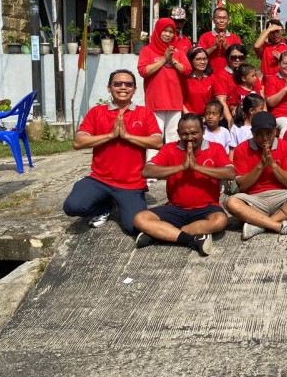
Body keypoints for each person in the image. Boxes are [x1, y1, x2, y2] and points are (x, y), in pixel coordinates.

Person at [63, 70, 163, 233]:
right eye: (117, 84)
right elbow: (78, 142)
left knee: (134, 227)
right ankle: (103, 206)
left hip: (131, 183)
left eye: (128, 84)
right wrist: (110, 136)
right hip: (99, 179)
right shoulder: (97, 112)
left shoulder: (144, 113)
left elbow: (157, 142)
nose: (123, 87)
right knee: (72, 207)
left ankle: (120, 202)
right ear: (109, 88)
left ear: (134, 89)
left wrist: (127, 136)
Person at [134, 114, 235, 256]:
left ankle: (164, 233)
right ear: (178, 133)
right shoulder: (170, 148)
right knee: (140, 218)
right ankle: (192, 239)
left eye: (194, 133)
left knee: (220, 221)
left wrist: (196, 167)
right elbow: (147, 171)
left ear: (203, 131)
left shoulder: (216, 148)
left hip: (206, 208)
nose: (190, 138)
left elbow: (230, 173)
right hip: (175, 208)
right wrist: (181, 167)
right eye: (185, 134)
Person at [225, 112, 287, 240]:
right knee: (230, 202)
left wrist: (273, 165)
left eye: (268, 133)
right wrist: (260, 166)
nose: (264, 138)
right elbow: (242, 186)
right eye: (259, 134)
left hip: (280, 196)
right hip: (253, 198)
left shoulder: (285, 147)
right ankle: (278, 226)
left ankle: (261, 224)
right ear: (252, 132)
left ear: (275, 131)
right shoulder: (241, 149)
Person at [137, 18, 190, 160]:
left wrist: (172, 59)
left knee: (173, 136)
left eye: (171, 32)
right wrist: (163, 60)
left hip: (174, 101)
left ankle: (172, 165)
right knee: (155, 136)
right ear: (158, 31)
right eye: (165, 31)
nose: (168, 34)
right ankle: (152, 166)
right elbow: (143, 71)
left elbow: (187, 70)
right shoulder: (147, 50)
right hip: (155, 102)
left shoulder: (177, 52)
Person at [198, 7, 242, 73]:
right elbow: (199, 56)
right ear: (213, 20)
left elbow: (240, 58)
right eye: (218, 18)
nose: (221, 21)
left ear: (229, 20)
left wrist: (227, 47)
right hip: (210, 74)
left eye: (224, 18)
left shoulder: (235, 38)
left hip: (230, 75)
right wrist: (214, 47)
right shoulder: (205, 36)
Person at [213, 44, 248, 127]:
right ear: (228, 58)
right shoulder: (221, 75)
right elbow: (222, 100)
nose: (237, 59)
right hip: (229, 115)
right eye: (233, 57)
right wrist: (230, 120)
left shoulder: (250, 73)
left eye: (241, 57)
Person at [182, 47, 219, 116]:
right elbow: (180, 101)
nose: (202, 62)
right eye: (198, 59)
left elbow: (216, 100)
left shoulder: (212, 78)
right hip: (188, 118)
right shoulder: (185, 79)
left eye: (205, 59)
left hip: (207, 118)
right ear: (190, 61)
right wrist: (188, 115)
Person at [228, 94, 266, 158]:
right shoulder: (236, 129)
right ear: (251, 111)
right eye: (261, 109)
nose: (264, 111)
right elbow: (232, 151)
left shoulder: (263, 126)